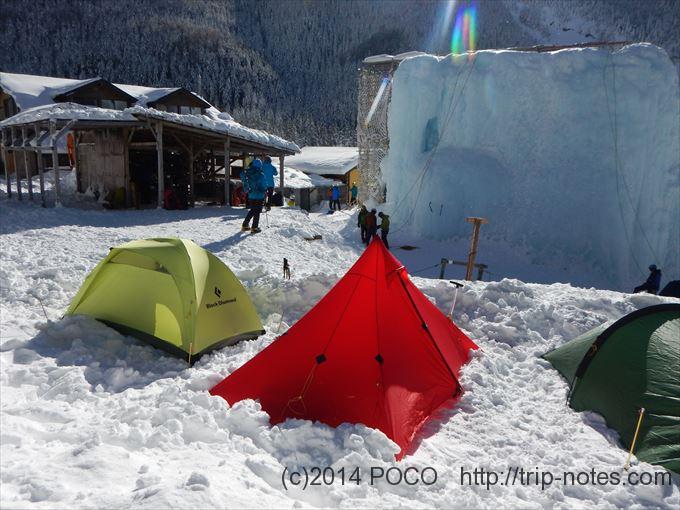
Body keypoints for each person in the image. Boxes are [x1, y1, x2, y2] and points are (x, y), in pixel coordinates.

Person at [241, 159, 267, 233]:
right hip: (259, 195)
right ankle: (254, 227)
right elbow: (264, 185)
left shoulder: (248, 173)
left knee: (253, 210)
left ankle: (245, 225)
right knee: (257, 211)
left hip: (251, 195)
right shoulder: (261, 174)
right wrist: (264, 190)